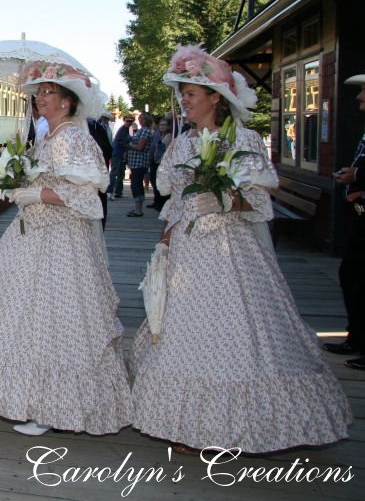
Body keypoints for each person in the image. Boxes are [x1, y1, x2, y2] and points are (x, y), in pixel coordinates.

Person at [130, 45, 351, 454]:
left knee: (234, 331)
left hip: (231, 253)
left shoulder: (244, 140)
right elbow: (175, 200)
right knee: (185, 332)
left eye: (192, 94)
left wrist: (226, 201)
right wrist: (164, 238)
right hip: (187, 251)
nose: (184, 101)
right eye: (183, 94)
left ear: (216, 97)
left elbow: (260, 201)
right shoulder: (180, 144)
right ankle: (189, 421)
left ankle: (236, 423)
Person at [0, 63, 132, 437]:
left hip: (59, 242)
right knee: (24, 315)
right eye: (38, 91)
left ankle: (51, 406)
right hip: (32, 235)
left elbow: (89, 199)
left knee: (53, 320)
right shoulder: (49, 138)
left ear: (69, 102)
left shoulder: (73, 138)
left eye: (48, 91)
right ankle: (36, 401)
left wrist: (38, 193)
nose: (39, 96)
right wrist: (15, 182)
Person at [322, 73, 365, 369]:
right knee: (352, 276)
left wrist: (358, 176)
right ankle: (358, 337)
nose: (360, 97)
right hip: (359, 215)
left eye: (364, 91)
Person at [126, 112, 154, 217]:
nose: (140, 120)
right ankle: (137, 207)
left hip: (140, 162)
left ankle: (139, 209)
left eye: (143, 119)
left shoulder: (146, 131)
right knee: (135, 185)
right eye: (140, 118)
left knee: (136, 185)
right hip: (135, 162)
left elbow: (140, 147)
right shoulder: (141, 131)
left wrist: (129, 144)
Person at [146, 117, 171, 211]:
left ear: (168, 126)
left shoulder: (168, 136)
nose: (162, 126)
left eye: (164, 125)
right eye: (161, 125)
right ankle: (157, 201)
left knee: (160, 183)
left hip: (162, 163)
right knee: (154, 182)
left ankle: (161, 204)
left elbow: (167, 150)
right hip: (155, 161)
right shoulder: (159, 135)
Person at [109, 114, 134, 198]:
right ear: (124, 121)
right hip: (117, 152)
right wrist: (129, 145)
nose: (129, 123)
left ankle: (118, 192)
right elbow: (120, 141)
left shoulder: (127, 129)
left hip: (121, 153)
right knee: (114, 172)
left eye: (131, 121)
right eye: (128, 121)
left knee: (121, 173)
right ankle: (110, 191)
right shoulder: (123, 129)